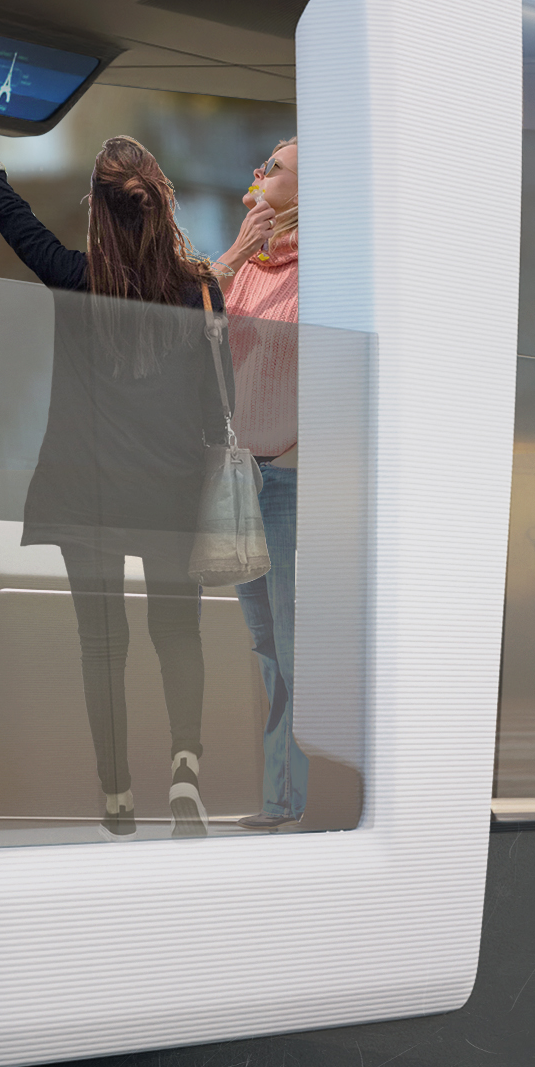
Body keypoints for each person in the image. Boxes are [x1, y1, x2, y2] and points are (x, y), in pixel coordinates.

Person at [0, 70, 232, 833]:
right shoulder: (200, 291)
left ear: (97, 209)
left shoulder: (76, 277)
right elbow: (215, 398)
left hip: (83, 488)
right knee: (177, 631)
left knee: (101, 644)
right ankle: (186, 768)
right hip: (170, 486)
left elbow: (5, 211)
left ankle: (115, 792)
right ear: (159, 201)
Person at [216, 138, 307, 824]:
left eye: (272, 168)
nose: (257, 174)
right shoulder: (252, 264)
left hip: (294, 480)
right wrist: (239, 252)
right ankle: (284, 803)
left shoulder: (327, 265)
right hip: (241, 481)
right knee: (268, 649)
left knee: (301, 647)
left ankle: (310, 801)